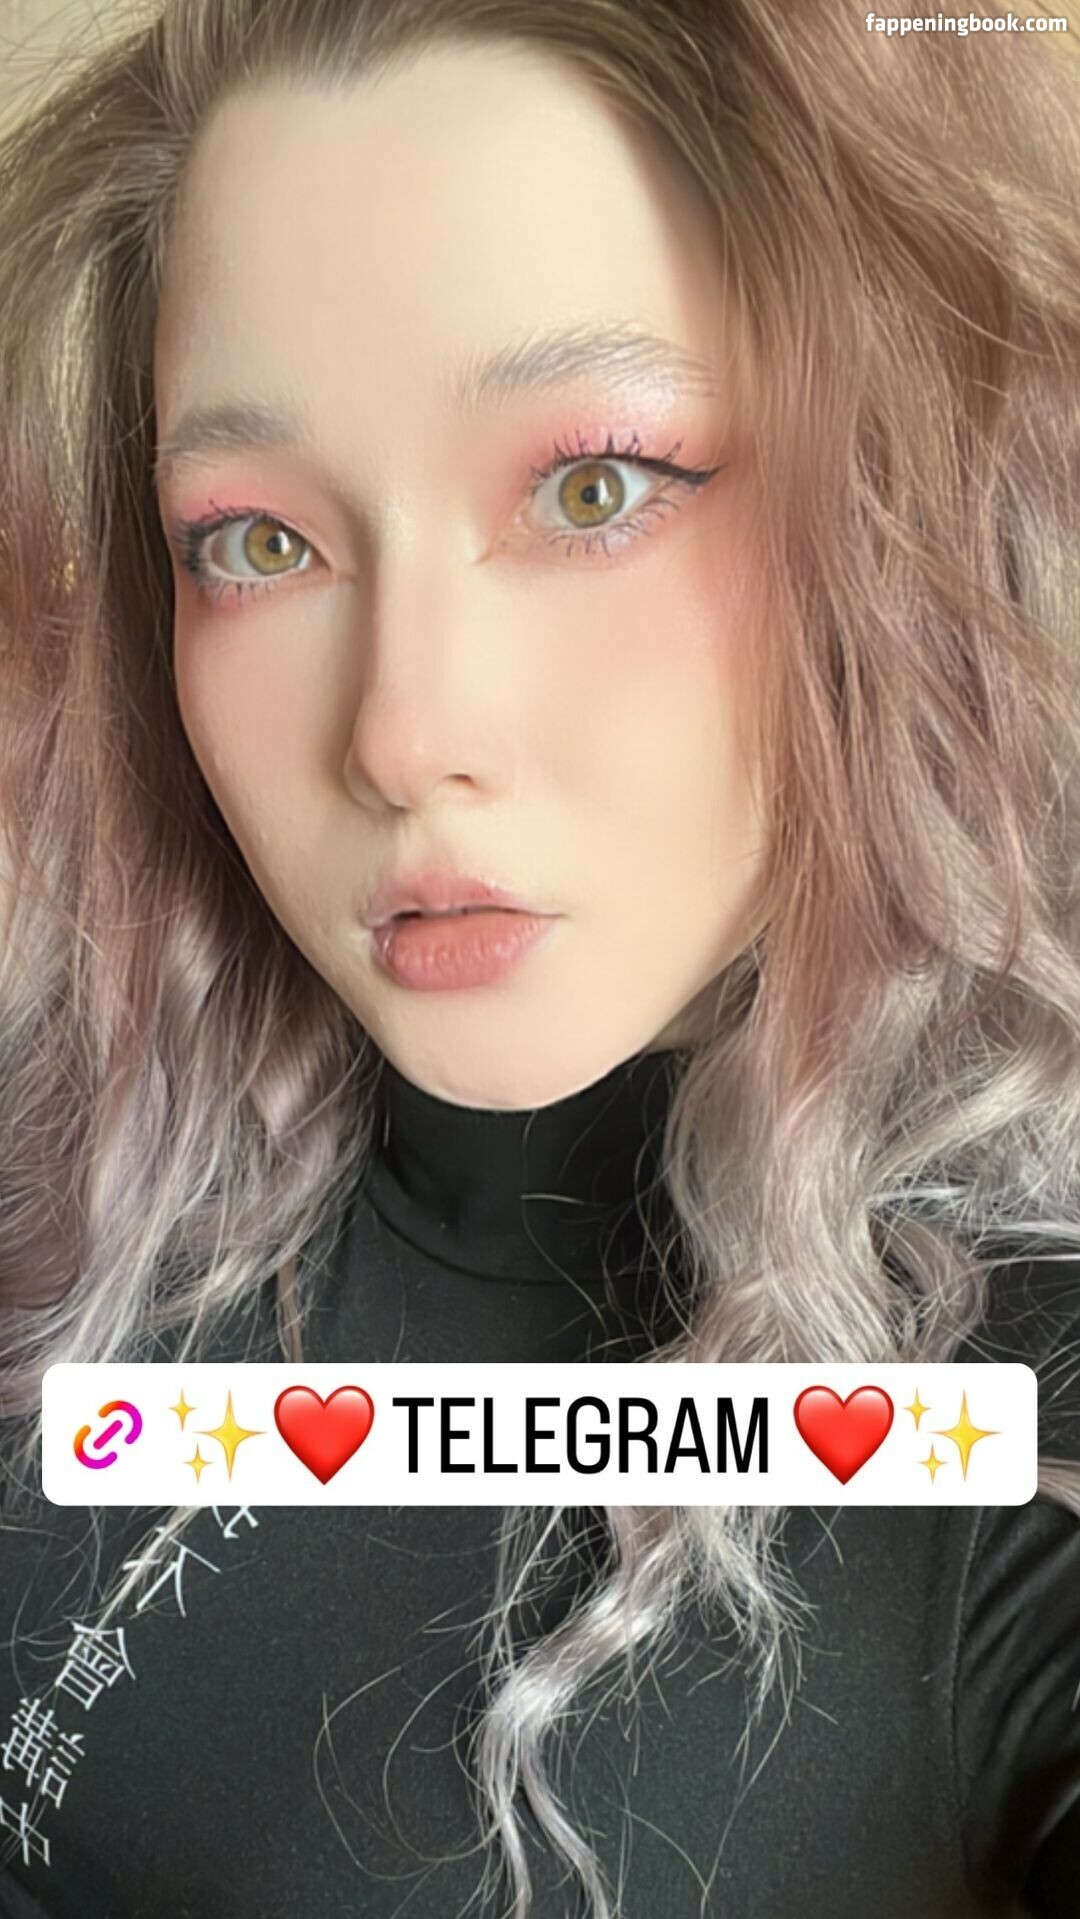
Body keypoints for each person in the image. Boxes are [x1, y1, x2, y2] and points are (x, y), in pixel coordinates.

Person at [0, 1, 1078, 1913]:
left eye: (595, 489)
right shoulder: (66, 1168)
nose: (399, 735)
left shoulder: (1007, 1449)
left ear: (905, 505)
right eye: (253, 539)